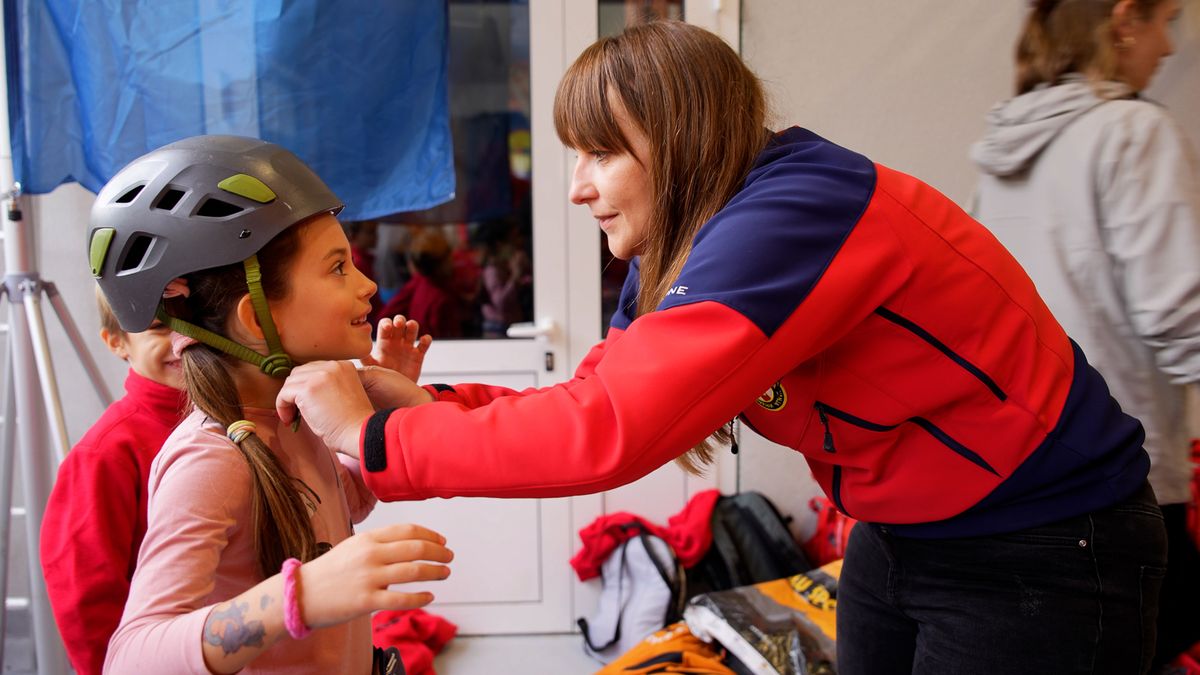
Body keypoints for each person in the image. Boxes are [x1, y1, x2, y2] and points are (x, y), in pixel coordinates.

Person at [277, 21, 1168, 674]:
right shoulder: (695, 240)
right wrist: (421, 405)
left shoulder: (791, 216)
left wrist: (371, 437)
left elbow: (612, 428)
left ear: (678, 140)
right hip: (905, 534)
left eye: (598, 153)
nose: (578, 187)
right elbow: (599, 388)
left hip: (1044, 544)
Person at [87, 135, 453, 674]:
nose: (368, 284)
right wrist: (298, 598)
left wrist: (373, 425)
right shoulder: (212, 461)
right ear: (256, 319)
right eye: (336, 268)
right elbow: (133, 657)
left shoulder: (293, 414)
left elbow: (336, 505)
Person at [971, 0, 1200, 668]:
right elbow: (1181, 313)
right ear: (1124, 18)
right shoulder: (1132, 130)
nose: (1168, 48)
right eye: (1168, 23)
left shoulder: (1003, 146)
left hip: (1021, 474)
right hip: (1125, 476)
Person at [39, 289, 187, 675]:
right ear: (117, 343)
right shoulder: (106, 453)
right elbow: (84, 596)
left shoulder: (230, 419)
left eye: (195, 322)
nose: (183, 340)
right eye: (158, 329)